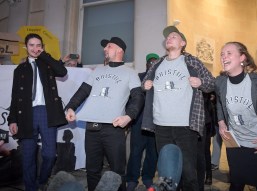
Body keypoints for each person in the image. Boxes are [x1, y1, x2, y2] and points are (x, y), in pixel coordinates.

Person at [64, 36, 144, 191]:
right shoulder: (98, 71)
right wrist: (70, 107)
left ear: (120, 50)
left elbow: (138, 97)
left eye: (109, 46)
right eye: (105, 47)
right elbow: (82, 91)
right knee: (92, 170)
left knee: (117, 171)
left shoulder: (130, 73)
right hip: (92, 128)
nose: (105, 49)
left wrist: (128, 116)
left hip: (113, 129)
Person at [141, 26, 215, 191]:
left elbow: (212, 82)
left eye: (173, 36)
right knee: (167, 173)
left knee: (189, 172)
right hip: (160, 126)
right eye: (167, 37)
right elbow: (144, 82)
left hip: (185, 127)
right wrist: (145, 85)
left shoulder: (191, 61)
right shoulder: (158, 63)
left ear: (182, 43)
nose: (169, 38)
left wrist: (201, 83)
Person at [215, 41, 257, 191]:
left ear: (242, 58)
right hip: (236, 146)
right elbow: (220, 102)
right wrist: (221, 122)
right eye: (222, 54)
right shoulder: (221, 83)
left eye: (228, 53)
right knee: (236, 184)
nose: (223, 57)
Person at [7, 33, 68, 191]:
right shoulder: (20, 69)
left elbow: (62, 71)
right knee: (28, 156)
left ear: (42, 46)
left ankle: (42, 180)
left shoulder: (46, 63)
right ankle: (30, 188)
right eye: (31, 45)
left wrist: (45, 56)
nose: (35, 48)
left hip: (46, 112)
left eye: (38, 45)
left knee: (49, 154)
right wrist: (12, 120)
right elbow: (15, 96)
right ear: (25, 47)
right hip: (26, 115)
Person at [126, 53, 159, 191]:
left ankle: (147, 178)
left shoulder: (160, 79)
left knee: (152, 153)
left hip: (155, 122)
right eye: (149, 62)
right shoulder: (138, 77)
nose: (151, 65)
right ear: (146, 64)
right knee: (135, 152)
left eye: (154, 63)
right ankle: (132, 179)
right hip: (138, 122)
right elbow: (131, 99)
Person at [197, 92, 216, 190]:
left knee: (205, 152)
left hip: (205, 124)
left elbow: (209, 105)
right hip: (191, 124)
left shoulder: (204, 87)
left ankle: (208, 175)